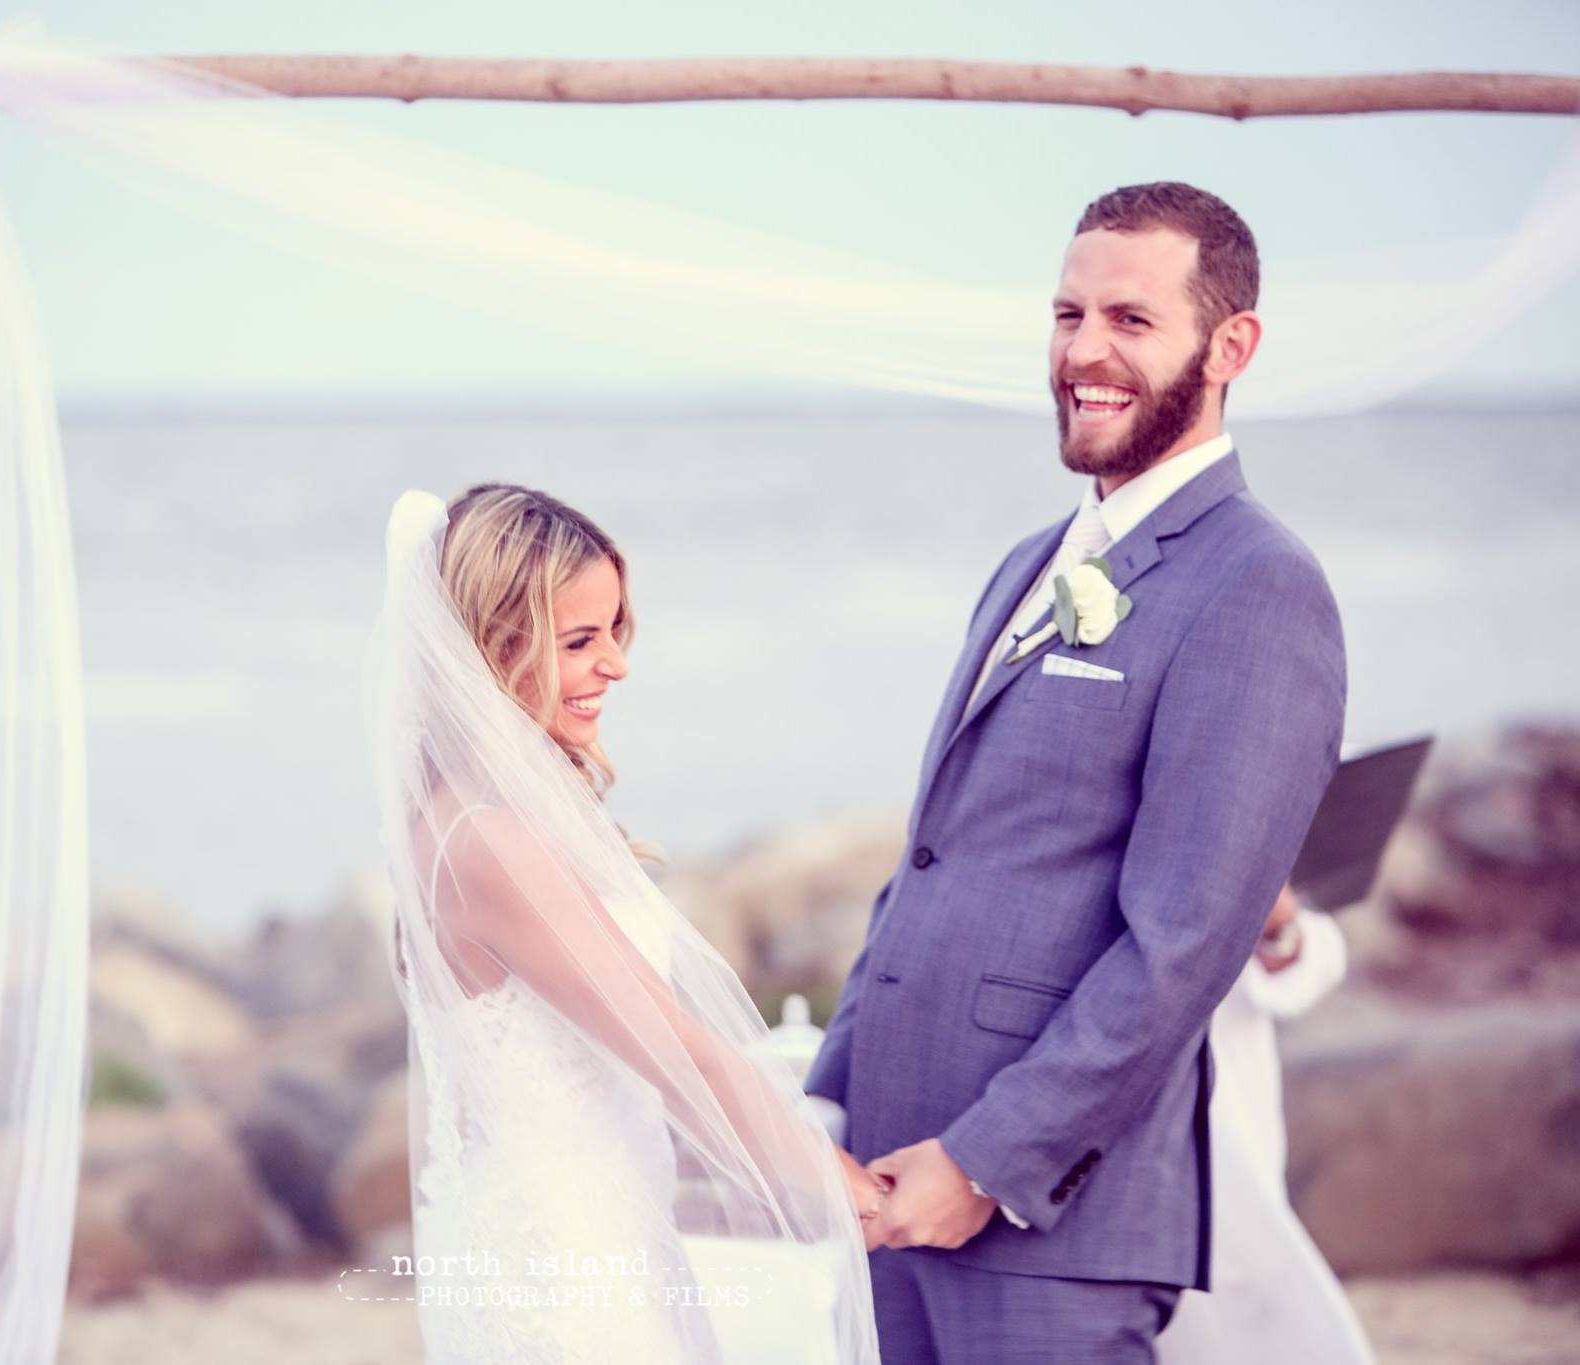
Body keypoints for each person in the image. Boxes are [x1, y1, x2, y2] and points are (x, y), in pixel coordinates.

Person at [805, 181, 1348, 1364]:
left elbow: (1182, 946)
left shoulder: (1256, 585)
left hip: (1049, 1226)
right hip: (888, 1189)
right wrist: (825, 1102)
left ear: (1229, 346)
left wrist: (986, 1166)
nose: (1082, 352)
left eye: (1129, 320)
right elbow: (931, 869)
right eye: (1064, 315)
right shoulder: (1026, 564)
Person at [366, 483, 883, 1364]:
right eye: (579, 640)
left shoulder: (489, 815)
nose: (616, 663)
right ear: (494, 650)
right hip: (569, 1276)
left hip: (600, 1232)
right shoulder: (487, 841)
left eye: (615, 630)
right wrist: (857, 1196)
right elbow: (681, 1050)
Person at [1157, 883, 1376, 1363]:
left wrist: (1279, 923)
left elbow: (1316, 955)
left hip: (1217, 1115)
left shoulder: (1234, 819)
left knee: (1241, 1307)